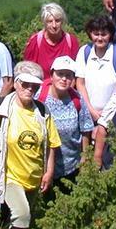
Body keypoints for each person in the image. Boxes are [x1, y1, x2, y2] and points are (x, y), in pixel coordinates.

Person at [0, 62, 60, 229]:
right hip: (9, 176)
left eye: (34, 85)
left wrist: (48, 172)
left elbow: (51, 144)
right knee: (22, 215)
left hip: (33, 177)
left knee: (23, 217)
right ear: (16, 83)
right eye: (25, 84)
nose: (30, 89)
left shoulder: (42, 111)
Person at [38, 56, 93, 191]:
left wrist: (84, 158)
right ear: (51, 75)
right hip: (42, 167)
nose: (64, 79)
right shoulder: (39, 97)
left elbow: (85, 129)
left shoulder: (77, 99)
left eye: (68, 76)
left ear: (73, 79)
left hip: (71, 165)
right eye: (60, 74)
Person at [74, 14, 116, 122]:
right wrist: (91, 111)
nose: (99, 38)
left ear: (110, 35)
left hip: (113, 115)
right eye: (96, 34)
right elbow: (80, 83)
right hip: (87, 112)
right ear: (90, 34)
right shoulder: (84, 52)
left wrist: (107, 113)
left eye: (104, 34)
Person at [23, 3, 80, 78]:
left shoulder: (71, 41)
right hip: (41, 88)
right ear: (44, 23)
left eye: (57, 21)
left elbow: (76, 73)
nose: (54, 25)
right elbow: (27, 72)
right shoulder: (35, 41)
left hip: (65, 88)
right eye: (50, 21)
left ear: (62, 21)